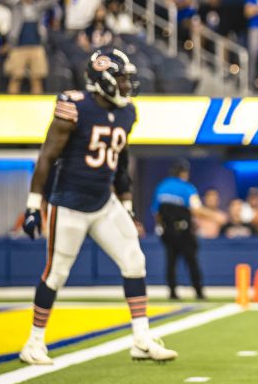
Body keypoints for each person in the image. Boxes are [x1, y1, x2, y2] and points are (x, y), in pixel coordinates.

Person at [17, 48, 177, 366]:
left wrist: (128, 207)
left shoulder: (127, 112)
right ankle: (33, 343)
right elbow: (47, 156)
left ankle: (141, 339)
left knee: (134, 260)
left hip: (104, 201)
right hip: (69, 203)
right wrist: (34, 204)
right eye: (120, 78)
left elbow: (121, 163)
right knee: (56, 274)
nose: (127, 85)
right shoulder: (74, 107)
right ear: (101, 80)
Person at [152, 160, 204, 301]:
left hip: (168, 232)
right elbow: (196, 209)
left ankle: (172, 292)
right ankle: (199, 292)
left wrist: (162, 227)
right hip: (184, 231)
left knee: (170, 262)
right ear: (183, 173)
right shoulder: (187, 188)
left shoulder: (162, 186)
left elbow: (156, 213)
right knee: (192, 262)